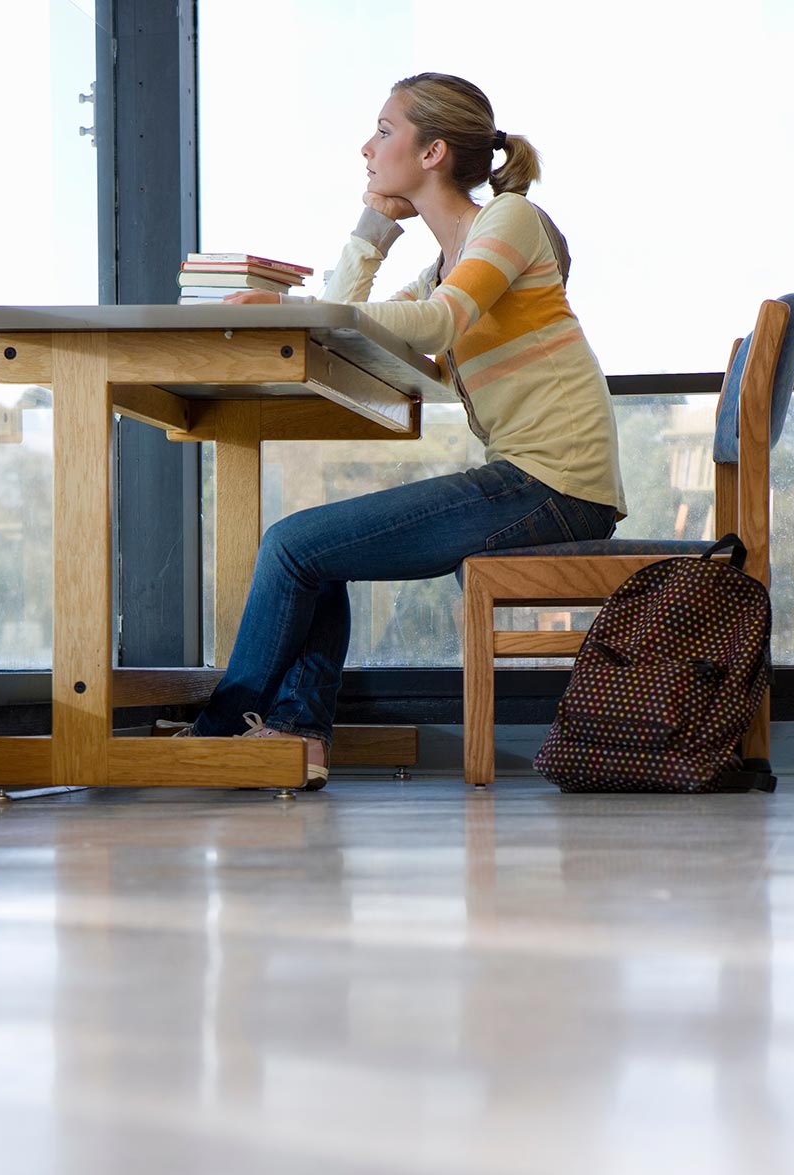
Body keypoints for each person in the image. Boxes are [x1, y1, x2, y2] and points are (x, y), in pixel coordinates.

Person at [158, 72, 626, 788]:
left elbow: (433, 324)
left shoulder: (509, 221)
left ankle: (220, 734)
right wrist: (373, 228)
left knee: (292, 545)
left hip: (554, 484)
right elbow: (338, 328)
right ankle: (297, 737)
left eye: (383, 131)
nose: (366, 148)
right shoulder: (446, 264)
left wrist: (296, 312)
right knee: (315, 549)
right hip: (534, 480)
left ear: (433, 152)